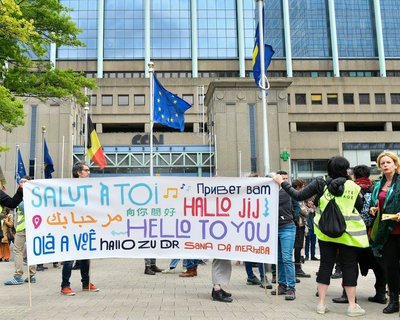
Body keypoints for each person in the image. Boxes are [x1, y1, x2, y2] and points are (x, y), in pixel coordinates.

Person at [273, 156, 368, 316]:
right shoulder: (353, 186)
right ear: (346, 169)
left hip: (325, 233)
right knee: (349, 267)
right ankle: (352, 306)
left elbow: (297, 195)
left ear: (329, 169)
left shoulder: (320, 183)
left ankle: (321, 304)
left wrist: (282, 182)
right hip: (349, 234)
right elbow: (358, 206)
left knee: (325, 265)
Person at [333, 165, 387, 305]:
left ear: (354, 176)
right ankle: (380, 293)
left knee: (349, 264)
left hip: (352, 233)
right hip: (372, 234)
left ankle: (347, 295)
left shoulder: (349, 188)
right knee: (378, 265)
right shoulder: (375, 188)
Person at [60, 162, 99, 296]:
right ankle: (65, 286)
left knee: (85, 257)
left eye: (89, 170)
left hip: (85, 226)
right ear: (78, 173)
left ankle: (86, 283)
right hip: (71, 226)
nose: (89, 172)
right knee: (70, 257)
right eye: (86, 170)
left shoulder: (90, 188)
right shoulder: (68, 187)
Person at [369, 151, 400, 314]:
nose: (385, 165)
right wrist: (375, 208)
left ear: (395, 164)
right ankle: (394, 300)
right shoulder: (378, 185)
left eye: (388, 162)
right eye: (382, 163)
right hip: (386, 232)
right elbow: (379, 202)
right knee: (391, 267)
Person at [4, 176, 37, 285]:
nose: (21, 183)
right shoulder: (35, 197)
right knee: (31, 250)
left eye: (24, 182)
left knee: (18, 250)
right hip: (33, 227)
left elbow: (16, 205)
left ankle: (18, 275)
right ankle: (32, 275)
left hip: (23, 228)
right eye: (20, 181)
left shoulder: (23, 199)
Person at [270, 170, 297, 301]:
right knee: (279, 259)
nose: (285, 181)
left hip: (287, 227)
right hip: (275, 228)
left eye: (286, 178)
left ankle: (291, 288)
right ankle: (281, 285)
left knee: (286, 258)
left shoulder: (287, 192)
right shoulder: (272, 192)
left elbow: (296, 206)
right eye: (282, 178)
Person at [292, 179, 311, 279]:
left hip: (298, 223)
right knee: (298, 246)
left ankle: (297, 267)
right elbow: (304, 212)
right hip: (299, 224)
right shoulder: (298, 197)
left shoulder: (293, 195)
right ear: (298, 187)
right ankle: (297, 268)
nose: (304, 188)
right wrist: (309, 208)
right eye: (302, 186)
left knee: (297, 247)